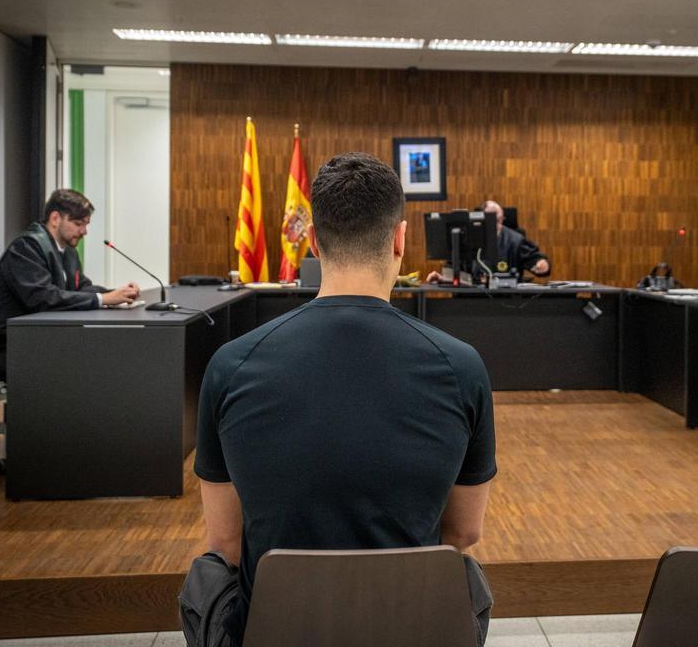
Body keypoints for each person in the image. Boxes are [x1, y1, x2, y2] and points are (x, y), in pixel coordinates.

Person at [188, 152, 497, 647]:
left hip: (274, 633)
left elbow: (225, 543)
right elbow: (462, 535)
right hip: (412, 633)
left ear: (313, 241)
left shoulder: (231, 364)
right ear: (400, 240)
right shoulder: (462, 367)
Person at [0, 188, 139, 378]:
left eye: (86, 225)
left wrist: (118, 293)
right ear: (55, 218)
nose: (84, 231)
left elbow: (82, 287)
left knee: (98, 352)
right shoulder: (26, 247)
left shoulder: (68, 251)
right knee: (93, 358)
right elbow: (43, 298)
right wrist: (103, 299)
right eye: (78, 224)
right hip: (7, 345)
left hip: (37, 339)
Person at [427, 200, 550, 283]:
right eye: (491, 221)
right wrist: (443, 278)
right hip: (471, 300)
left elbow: (536, 262)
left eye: (499, 220)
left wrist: (542, 265)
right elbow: (453, 269)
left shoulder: (515, 240)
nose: (496, 225)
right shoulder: (465, 238)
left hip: (506, 300)